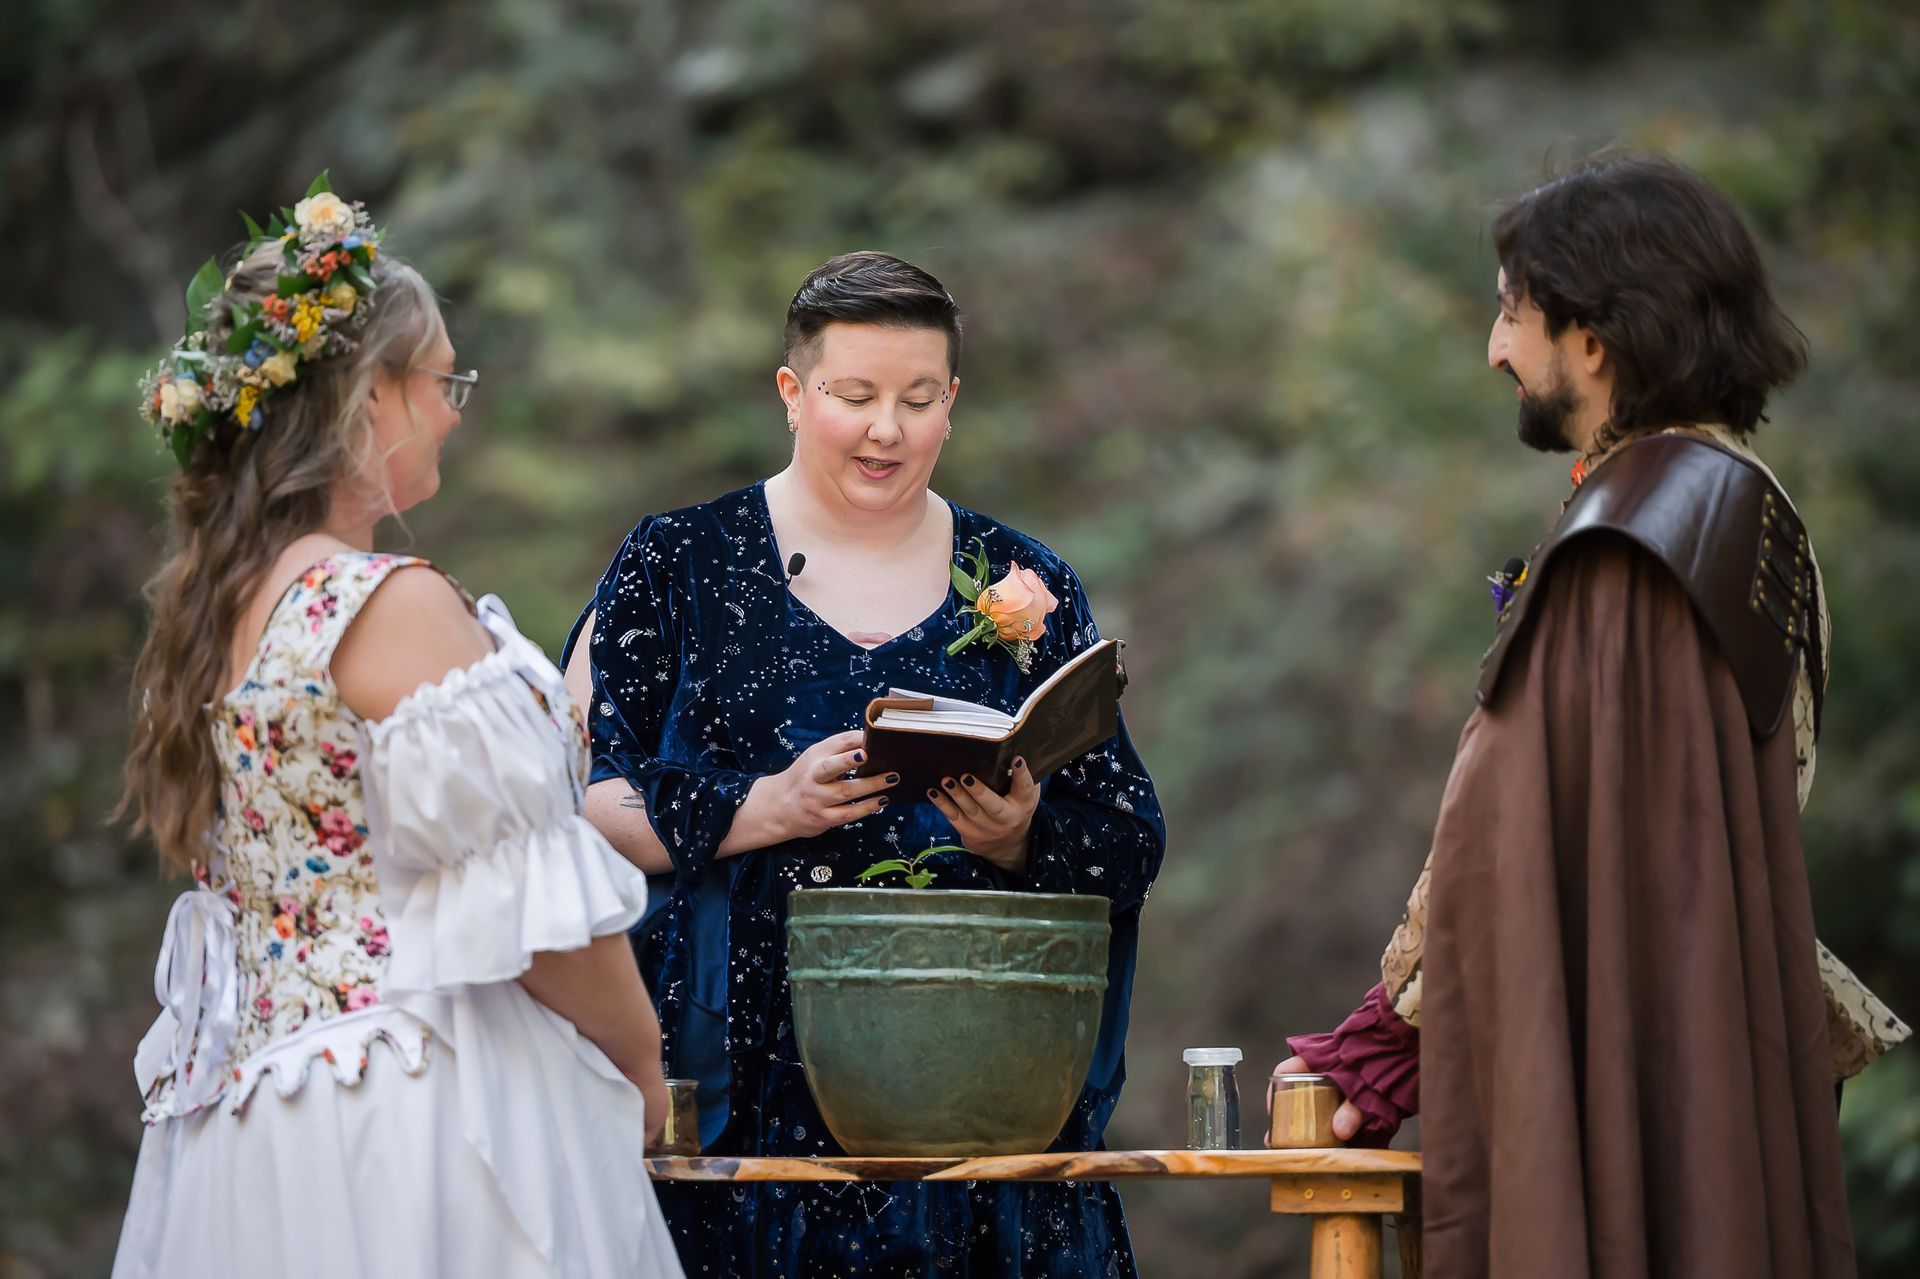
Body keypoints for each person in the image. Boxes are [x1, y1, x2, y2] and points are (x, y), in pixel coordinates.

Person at [1273, 153, 1910, 1278]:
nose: (1495, 348)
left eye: (1513, 313)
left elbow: (1507, 832)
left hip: (1633, 1062)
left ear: (1595, 337)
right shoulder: (1747, 507)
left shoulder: (1636, 541)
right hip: (1708, 1055)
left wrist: (1386, 1039)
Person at [113, 181, 684, 1278]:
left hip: (257, 1126)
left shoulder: (207, 621)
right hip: (412, 1112)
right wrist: (645, 1066)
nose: (457, 408)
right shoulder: (380, 603)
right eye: (442, 380)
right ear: (369, 397)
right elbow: (541, 918)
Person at [563, 250, 1166, 1276]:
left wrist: (1025, 834)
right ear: (794, 394)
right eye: (856, 395)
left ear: (953, 403)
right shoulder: (677, 564)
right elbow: (582, 803)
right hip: (738, 1113)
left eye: (919, 398)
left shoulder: (1026, 580)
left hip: (971, 1113)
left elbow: (1129, 838)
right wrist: (762, 806)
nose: (888, 428)